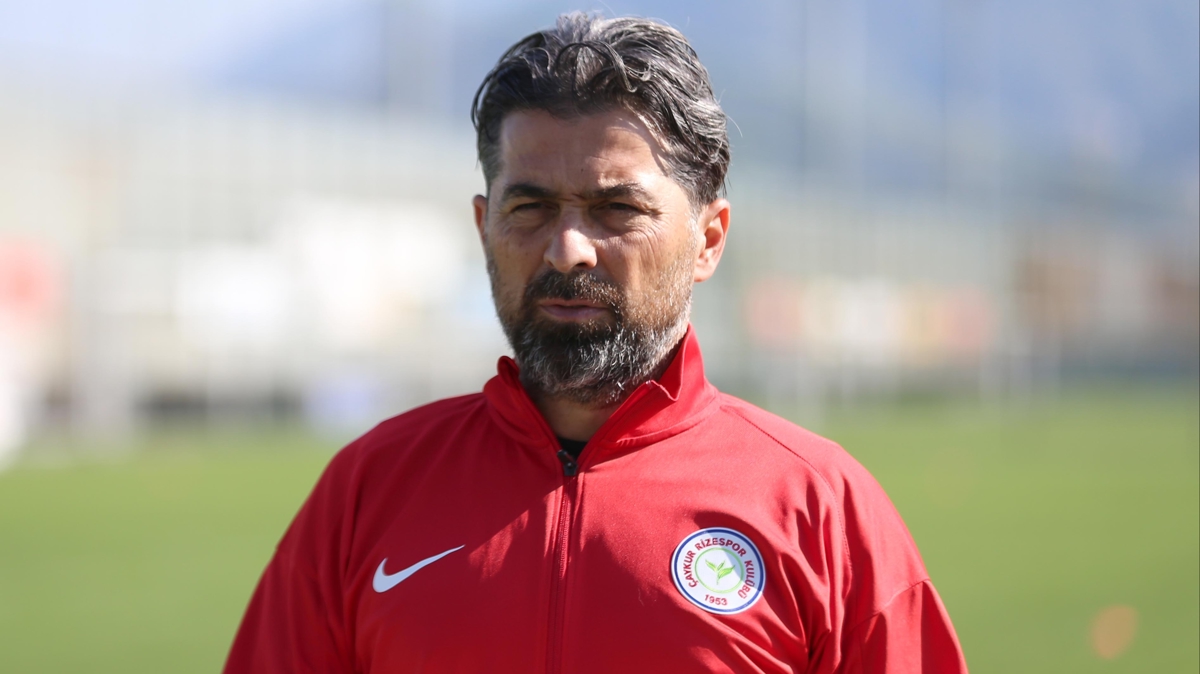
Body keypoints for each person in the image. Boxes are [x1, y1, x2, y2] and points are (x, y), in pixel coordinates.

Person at [224, 13, 968, 674]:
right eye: (531, 207)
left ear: (708, 240)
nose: (568, 249)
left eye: (616, 208)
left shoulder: (821, 508)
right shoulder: (367, 493)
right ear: (484, 227)